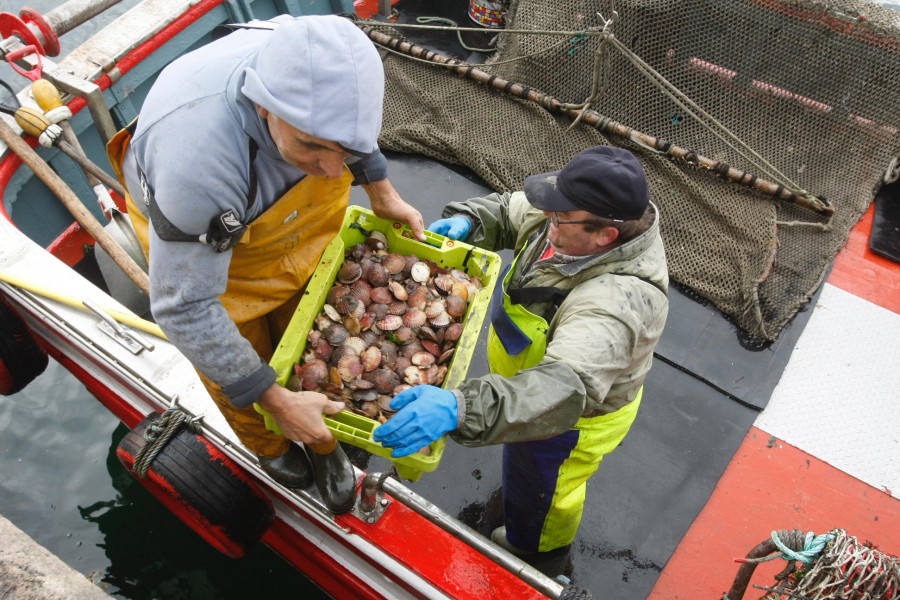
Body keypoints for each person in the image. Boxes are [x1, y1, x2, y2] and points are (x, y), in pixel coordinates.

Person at [107, 14, 425, 514]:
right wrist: (275, 402)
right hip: (204, 242)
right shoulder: (197, 164)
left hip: (287, 223)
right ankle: (271, 447)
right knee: (239, 361)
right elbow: (185, 308)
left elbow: (347, 137)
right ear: (263, 105)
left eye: (345, 151)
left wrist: (382, 192)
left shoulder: (316, 57)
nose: (332, 169)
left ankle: (323, 438)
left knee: (307, 333)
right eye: (313, 147)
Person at [373, 146, 669, 555]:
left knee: (542, 493)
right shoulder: (575, 221)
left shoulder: (618, 303)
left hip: (568, 419)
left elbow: (559, 391)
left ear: (606, 235)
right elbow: (513, 211)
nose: (549, 221)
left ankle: (536, 552)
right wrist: (471, 220)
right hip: (521, 376)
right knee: (518, 450)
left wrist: (461, 409)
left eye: (559, 218)